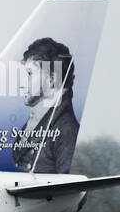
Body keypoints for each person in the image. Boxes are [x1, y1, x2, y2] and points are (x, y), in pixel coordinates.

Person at [11, 37, 79, 173]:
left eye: (29, 74)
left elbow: (64, 186)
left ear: (52, 79)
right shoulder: (37, 122)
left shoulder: (66, 130)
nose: (21, 84)